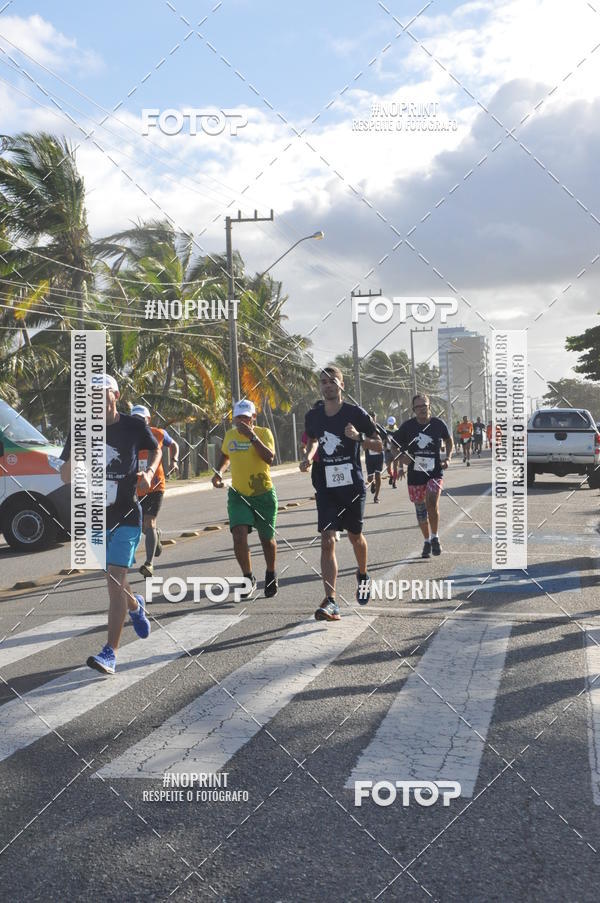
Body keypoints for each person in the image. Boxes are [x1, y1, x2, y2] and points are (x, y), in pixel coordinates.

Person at [60, 375, 161, 675]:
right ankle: (136, 605)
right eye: (89, 396)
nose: (95, 400)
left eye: (101, 394)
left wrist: (150, 472)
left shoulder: (133, 426)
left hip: (128, 513)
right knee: (116, 580)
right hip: (96, 516)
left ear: (115, 395)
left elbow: (155, 448)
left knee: (115, 579)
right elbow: (65, 476)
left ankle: (110, 653)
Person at [299, 365, 383, 621]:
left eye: (332, 381)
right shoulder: (313, 416)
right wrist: (308, 457)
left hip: (352, 486)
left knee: (355, 537)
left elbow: (379, 444)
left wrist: (359, 439)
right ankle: (332, 600)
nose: (327, 386)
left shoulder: (355, 413)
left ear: (341, 385)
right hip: (325, 485)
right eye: (323, 382)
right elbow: (312, 441)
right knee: (328, 539)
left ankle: (363, 574)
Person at [212, 399, 278, 598]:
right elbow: (225, 455)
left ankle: (271, 573)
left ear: (253, 418)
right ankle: (248, 578)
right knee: (238, 534)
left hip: (263, 494)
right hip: (239, 494)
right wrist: (219, 472)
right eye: (238, 418)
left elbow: (269, 458)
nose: (241, 422)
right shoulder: (230, 435)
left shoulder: (264, 433)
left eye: (245, 418)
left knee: (267, 540)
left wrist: (252, 437)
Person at [392, 394, 453, 558]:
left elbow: (449, 440)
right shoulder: (407, 427)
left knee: (431, 503)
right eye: (418, 407)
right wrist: (400, 458)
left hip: (434, 472)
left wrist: (448, 458)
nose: (421, 409)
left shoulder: (438, 424)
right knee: (420, 511)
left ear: (429, 406)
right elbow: (392, 445)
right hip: (415, 475)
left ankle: (435, 537)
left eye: (424, 406)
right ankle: (426, 540)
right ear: (413, 410)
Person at [131, 404, 180, 579]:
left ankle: (149, 564)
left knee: (149, 522)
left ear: (148, 420)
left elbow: (173, 444)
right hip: (136, 489)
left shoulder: (158, 433)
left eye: (141, 419)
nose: (138, 423)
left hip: (156, 486)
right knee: (145, 527)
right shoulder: (127, 438)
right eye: (134, 419)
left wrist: (174, 460)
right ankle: (156, 537)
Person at [365, 411, 387, 503]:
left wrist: (383, 447)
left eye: (373, 417)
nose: (372, 418)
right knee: (370, 478)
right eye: (370, 416)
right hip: (369, 456)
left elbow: (385, 436)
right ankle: (372, 483)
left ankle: (376, 497)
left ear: (375, 417)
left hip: (379, 456)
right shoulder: (364, 427)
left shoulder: (379, 427)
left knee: (378, 475)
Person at [385, 415, 399, 487]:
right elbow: (383, 440)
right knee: (388, 469)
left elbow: (400, 442)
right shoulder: (385, 430)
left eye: (392, 424)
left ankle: (394, 482)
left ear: (394, 423)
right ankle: (391, 475)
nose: (390, 425)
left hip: (395, 451)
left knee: (395, 467)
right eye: (389, 424)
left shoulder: (397, 431)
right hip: (387, 451)